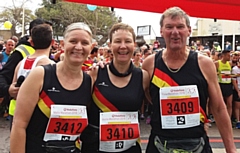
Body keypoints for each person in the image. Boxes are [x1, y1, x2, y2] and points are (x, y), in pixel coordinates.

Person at [142, 7, 237, 153]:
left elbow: (218, 108)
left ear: (189, 31)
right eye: (169, 27)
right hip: (160, 145)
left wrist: (231, 149)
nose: (175, 32)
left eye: (180, 26)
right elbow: (146, 95)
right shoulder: (150, 64)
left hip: (197, 145)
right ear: (161, 31)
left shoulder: (204, 63)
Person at [10, 22, 93, 153]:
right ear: (62, 45)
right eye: (73, 41)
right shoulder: (40, 74)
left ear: (91, 47)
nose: (78, 47)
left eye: (84, 43)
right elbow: (18, 125)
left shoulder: (89, 81)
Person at [81, 23, 150, 153]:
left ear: (134, 45)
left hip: (130, 148)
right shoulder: (96, 72)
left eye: (128, 41)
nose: (123, 46)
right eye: (118, 41)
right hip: (96, 148)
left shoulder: (143, 77)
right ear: (110, 45)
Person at [0, 18, 52, 128]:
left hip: (39, 111)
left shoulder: (47, 57)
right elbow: (4, 76)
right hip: (24, 111)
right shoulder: (20, 52)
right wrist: (8, 89)